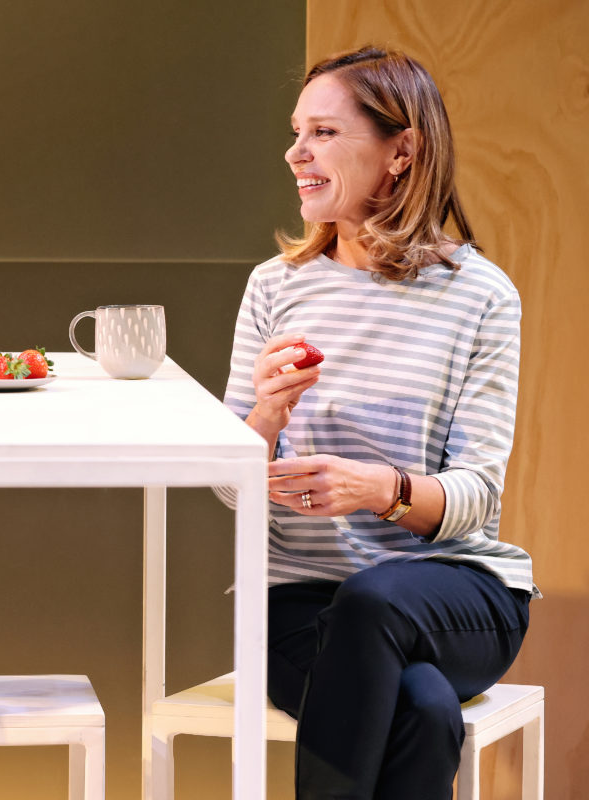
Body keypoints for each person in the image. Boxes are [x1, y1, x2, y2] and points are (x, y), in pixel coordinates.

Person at [216, 46, 535, 798]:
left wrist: (379, 490)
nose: (295, 152)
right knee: (423, 707)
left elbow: (477, 497)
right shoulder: (275, 287)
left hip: (454, 592)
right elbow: (231, 489)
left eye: (323, 132)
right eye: (297, 132)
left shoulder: (481, 296)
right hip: (300, 601)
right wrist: (266, 414)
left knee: (374, 600)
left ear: (402, 151)